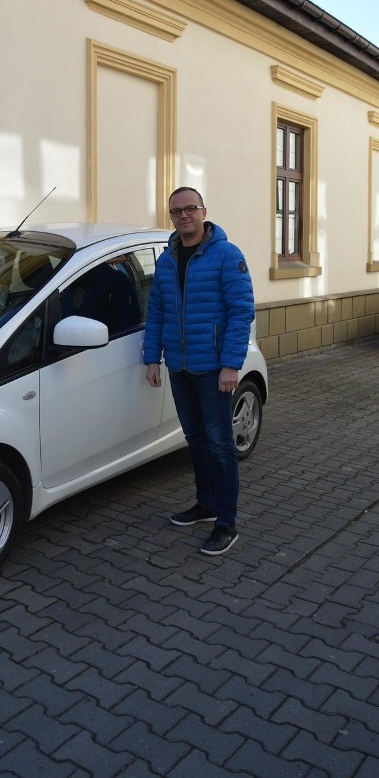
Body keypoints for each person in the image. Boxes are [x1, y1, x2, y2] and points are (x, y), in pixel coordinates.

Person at [143, 187, 255, 555]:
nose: (183, 215)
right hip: (179, 367)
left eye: (190, 208)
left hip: (213, 371)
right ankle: (205, 505)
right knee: (196, 439)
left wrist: (230, 366)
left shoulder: (226, 255)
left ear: (204, 211)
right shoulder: (167, 259)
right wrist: (151, 357)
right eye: (176, 211)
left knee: (221, 445)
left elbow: (241, 312)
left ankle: (226, 522)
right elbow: (157, 311)